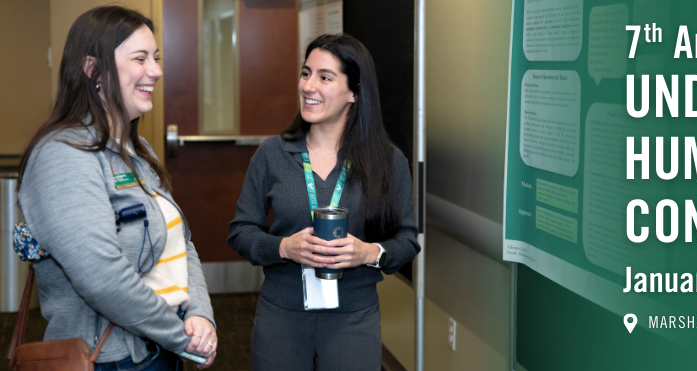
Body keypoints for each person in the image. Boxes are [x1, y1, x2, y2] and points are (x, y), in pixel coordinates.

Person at [16, 6, 217, 370]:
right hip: (114, 360)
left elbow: (180, 242)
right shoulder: (61, 156)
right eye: (140, 58)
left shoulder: (137, 149)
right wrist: (180, 336)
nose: (155, 71)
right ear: (93, 69)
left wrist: (201, 315)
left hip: (162, 348)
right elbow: (102, 278)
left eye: (156, 57)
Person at [228, 33, 420, 370]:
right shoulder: (272, 154)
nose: (308, 86)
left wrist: (369, 253)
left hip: (354, 317)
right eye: (306, 73)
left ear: (354, 92)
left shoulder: (388, 161)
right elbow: (241, 231)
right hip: (281, 315)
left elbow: (407, 240)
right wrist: (284, 247)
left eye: (325, 77)